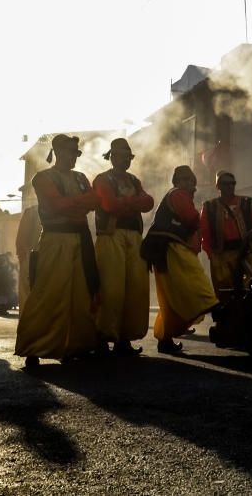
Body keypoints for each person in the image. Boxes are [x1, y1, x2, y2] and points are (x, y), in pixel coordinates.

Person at [15, 134, 101, 368]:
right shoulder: (42, 177)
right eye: (70, 152)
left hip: (80, 238)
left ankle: (76, 345)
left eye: (76, 152)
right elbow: (56, 204)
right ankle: (33, 346)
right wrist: (79, 203)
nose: (74, 157)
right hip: (55, 239)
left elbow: (94, 201)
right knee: (48, 291)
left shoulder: (81, 177)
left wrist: (73, 202)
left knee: (80, 293)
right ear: (58, 152)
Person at [141, 165, 219, 354]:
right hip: (170, 247)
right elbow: (192, 218)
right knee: (192, 277)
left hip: (163, 249)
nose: (189, 184)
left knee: (169, 297)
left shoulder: (178, 195)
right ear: (177, 182)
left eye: (191, 181)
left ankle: (165, 340)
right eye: (185, 180)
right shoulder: (178, 195)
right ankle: (211, 304)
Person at [93, 138, 154, 356]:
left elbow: (149, 202)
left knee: (135, 289)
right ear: (112, 156)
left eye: (128, 156)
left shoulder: (134, 180)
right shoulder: (102, 179)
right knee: (111, 289)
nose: (125, 160)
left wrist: (124, 203)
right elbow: (109, 205)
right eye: (120, 155)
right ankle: (102, 336)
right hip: (111, 236)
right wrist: (133, 202)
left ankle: (124, 338)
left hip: (134, 236)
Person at [199, 170, 252, 301]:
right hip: (221, 256)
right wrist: (211, 254)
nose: (230, 186)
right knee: (225, 293)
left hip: (246, 254)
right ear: (218, 186)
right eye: (226, 183)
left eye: (232, 183)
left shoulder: (247, 203)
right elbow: (204, 231)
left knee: (249, 289)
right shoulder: (209, 207)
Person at [15, 203, 42, 314]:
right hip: (31, 257)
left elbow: (20, 240)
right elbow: (21, 240)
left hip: (35, 257)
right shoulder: (31, 212)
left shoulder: (31, 211)